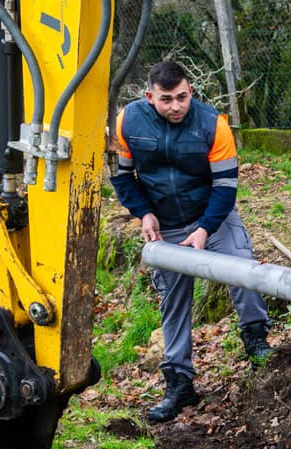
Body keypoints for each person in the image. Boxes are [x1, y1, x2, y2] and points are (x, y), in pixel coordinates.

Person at [110, 60, 270, 424]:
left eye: (182, 97)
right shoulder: (127, 122)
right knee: (173, 299)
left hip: (212, 216)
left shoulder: (214, 125)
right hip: (164, 222)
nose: (176, 106)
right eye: (167, 99)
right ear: (150, 97)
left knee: (244, 270)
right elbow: (121, 177)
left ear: (191, 92)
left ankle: (257, 340)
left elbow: (226, 186)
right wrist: (143, 213)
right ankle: (179, 383)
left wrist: (204, 230)